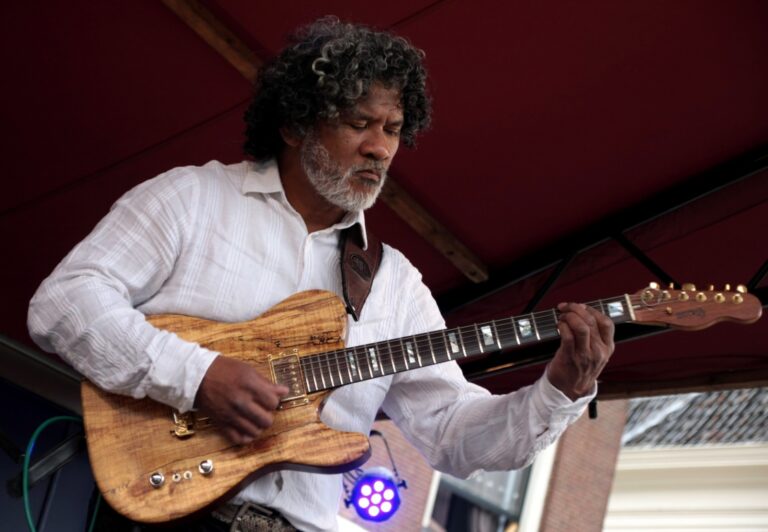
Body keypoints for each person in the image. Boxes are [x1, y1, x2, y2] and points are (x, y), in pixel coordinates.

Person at [28, 16, 615, 532]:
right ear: (295, 125)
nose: (380, 149)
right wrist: (198, 376)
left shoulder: (394, 284)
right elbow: (65, 301)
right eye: (360, 123)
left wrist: (561, 390)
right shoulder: (193, 198)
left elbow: (452, 434)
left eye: (392, 129)